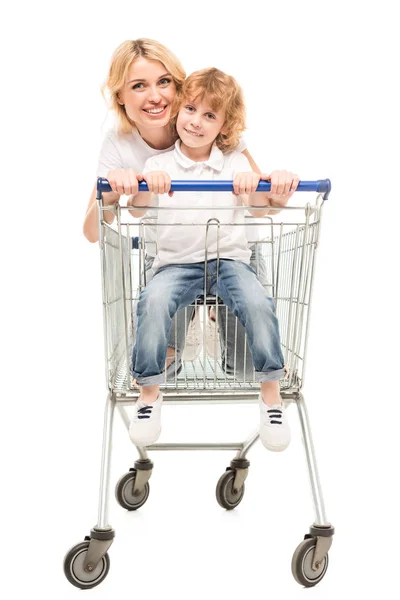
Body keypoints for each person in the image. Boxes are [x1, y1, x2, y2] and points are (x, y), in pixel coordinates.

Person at [83, 38, 297, 377]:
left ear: (179, 88)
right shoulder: (119, 144)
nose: (155, 96)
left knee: (246, 370)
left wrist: (278, 192)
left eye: (164, 82)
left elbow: (263, 204)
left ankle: (211, 315)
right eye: (139, 86)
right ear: (120, 96)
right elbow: (94, 231)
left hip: (233, 252)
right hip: (170, 255)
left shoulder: (208, 125)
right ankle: (190, 322)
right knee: (162, 367)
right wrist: (111, 191)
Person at [128, 68, 299, 452]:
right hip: (175, 263)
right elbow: (137, 212)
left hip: (229, 261)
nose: (196, 122)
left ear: (224, 125)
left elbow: (260, 208)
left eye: (210, 116)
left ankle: (271, 394)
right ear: (178, 111)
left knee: (258, 301)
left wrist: (265, 186)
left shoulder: (237, 162)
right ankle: (149, 394)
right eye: (190, 109)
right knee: (152, 302)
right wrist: (144, 187)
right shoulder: (159, 166)